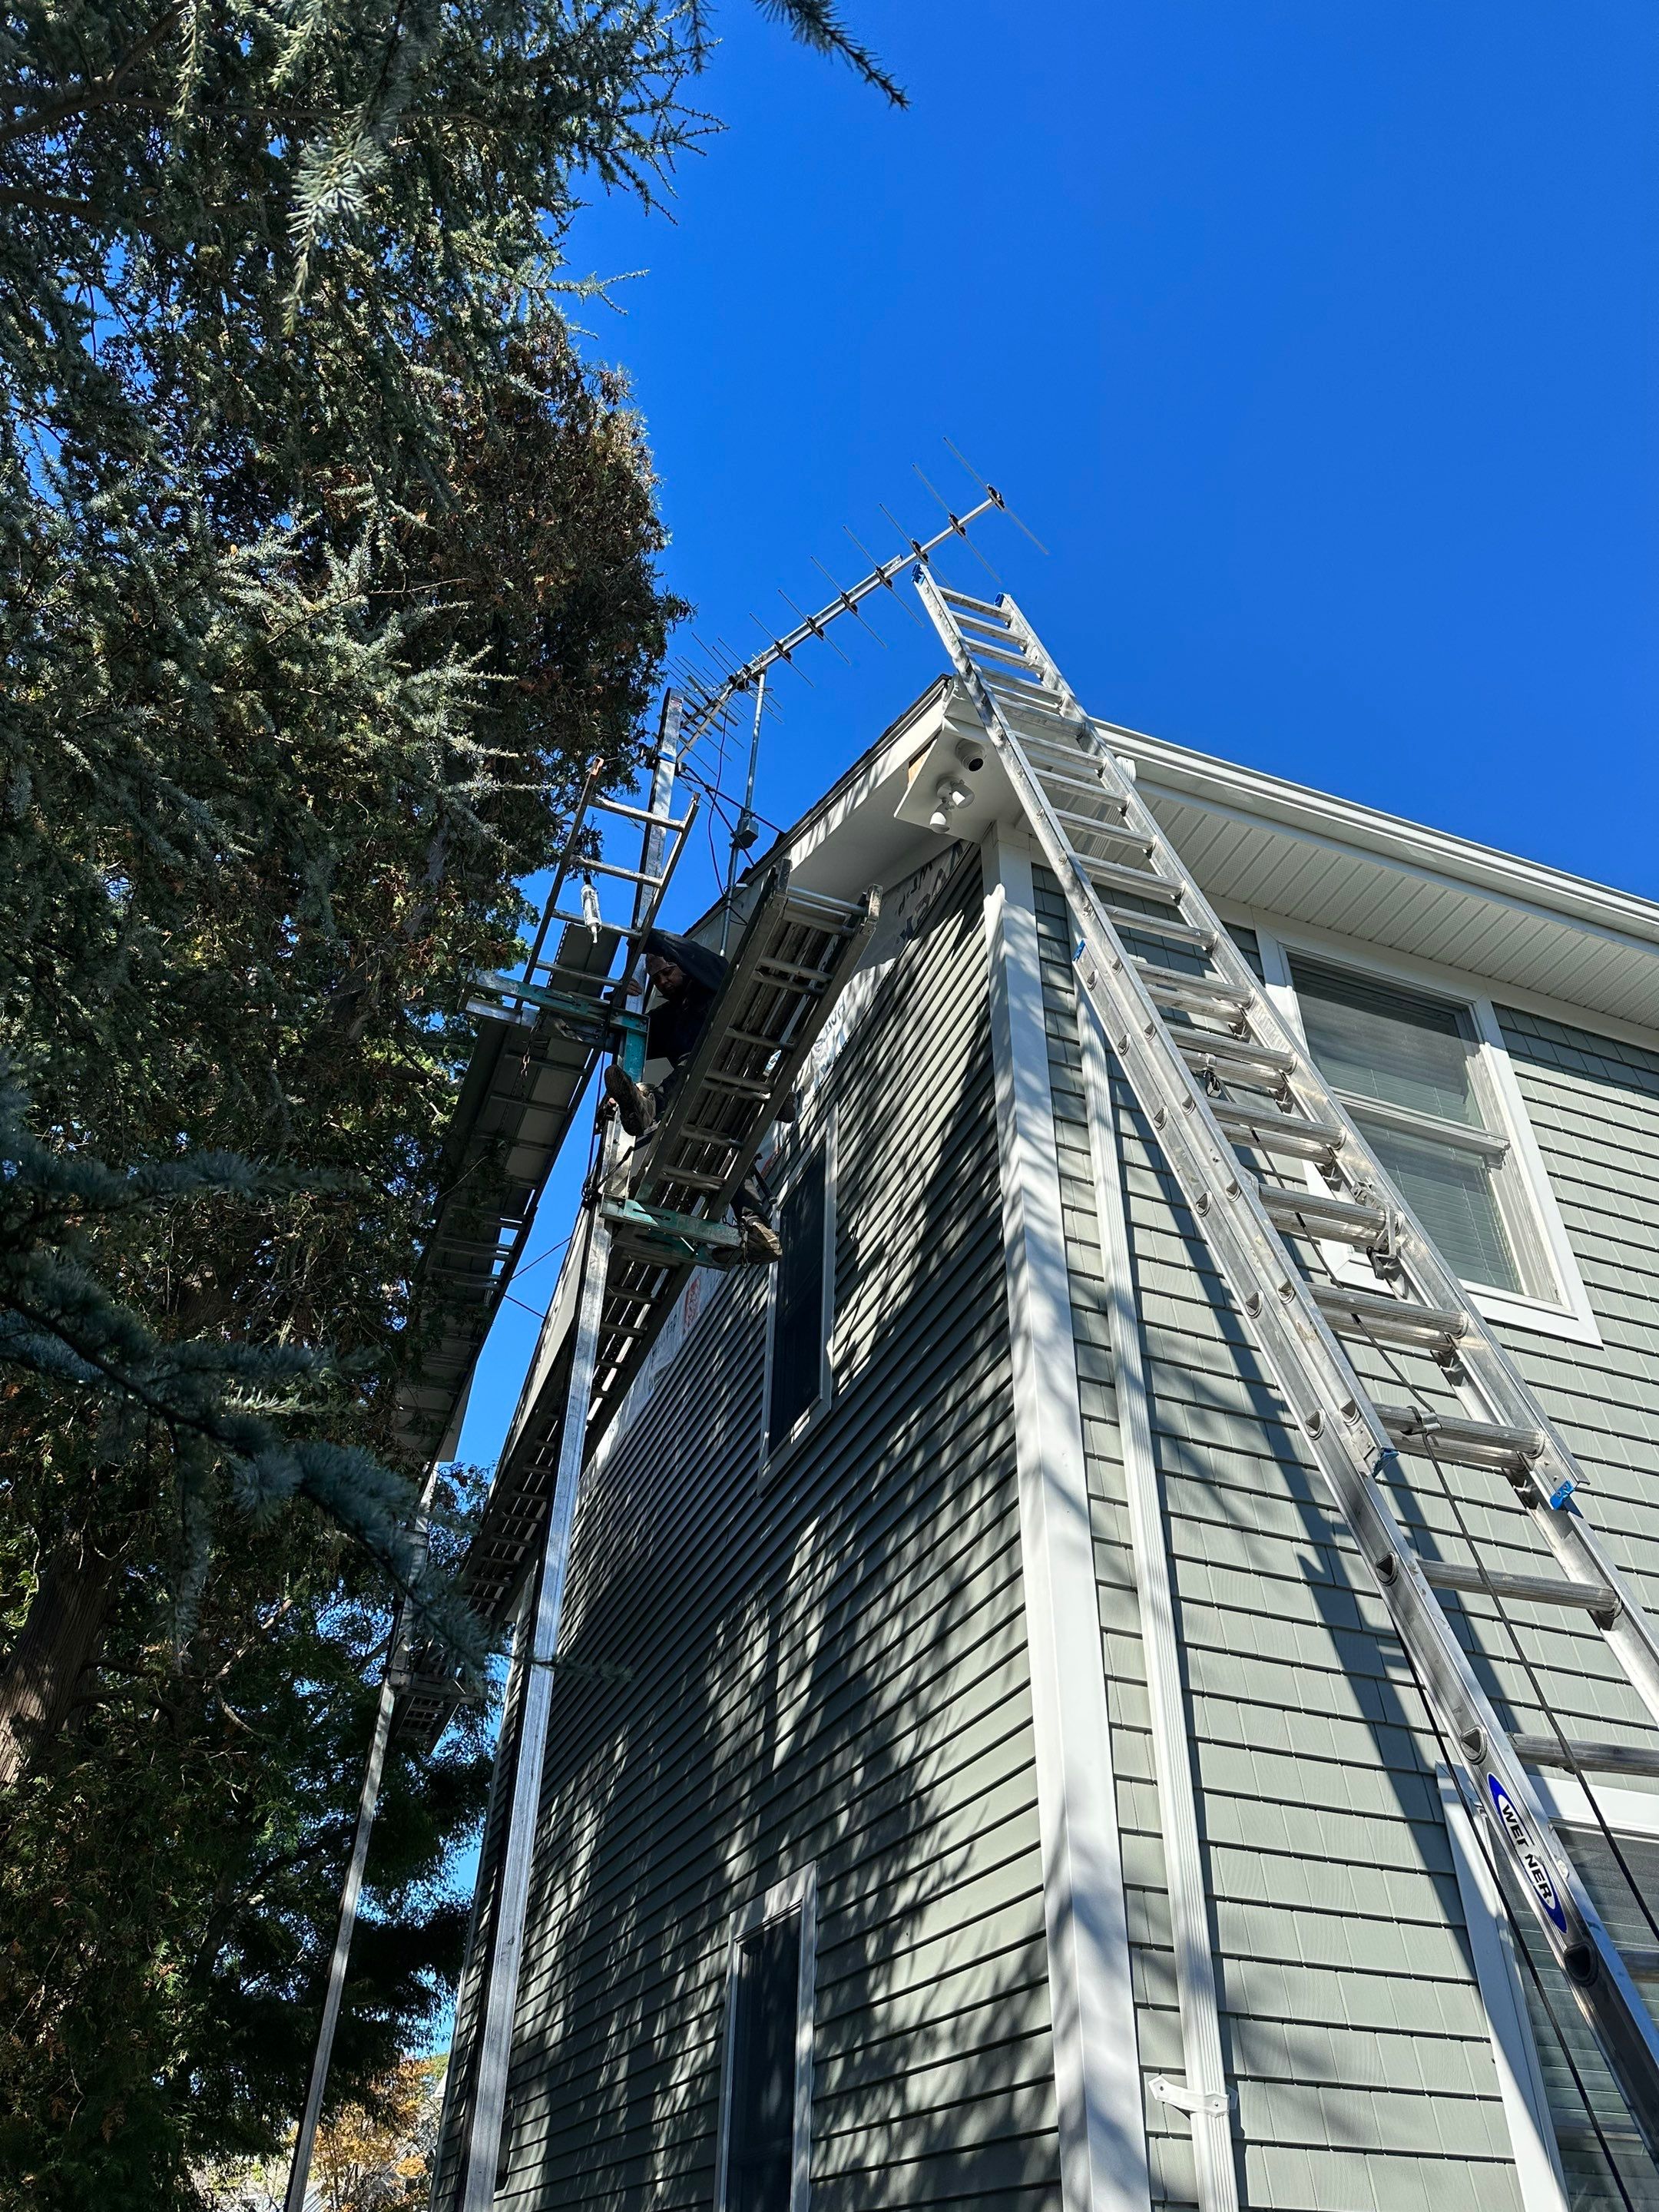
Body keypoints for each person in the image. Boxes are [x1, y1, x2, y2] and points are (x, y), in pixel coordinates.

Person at [603, 929, 783, 1262]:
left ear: (683, 966)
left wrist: (651, 940)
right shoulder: (671, 1020)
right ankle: (756, 1226)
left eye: (668, 972)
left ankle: (650, 1107)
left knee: (697, 1062)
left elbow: (702, 959)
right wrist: (618, 999)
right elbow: (620, 1035)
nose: (662, 982)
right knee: (725, 1152)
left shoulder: (715, 983)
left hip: (743, 1069)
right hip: (718, 1100)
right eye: (655, 978)